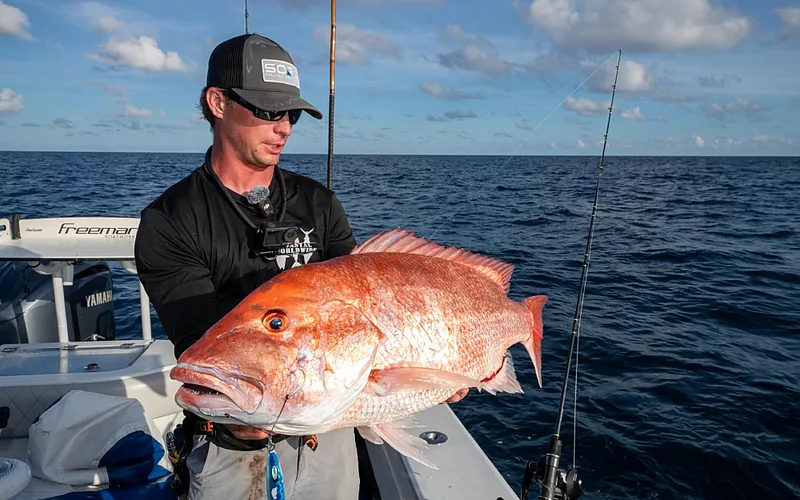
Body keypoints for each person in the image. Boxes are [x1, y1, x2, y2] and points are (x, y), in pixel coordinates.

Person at [134, 32, 468, 500]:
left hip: (330, 440)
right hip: (233, 449)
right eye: (268, 110)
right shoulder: (171, 220)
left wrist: (439, 364)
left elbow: (367, 305)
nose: (284, 128)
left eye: (290, 114)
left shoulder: (318, 202)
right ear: (217, 103)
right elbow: (201, 345)